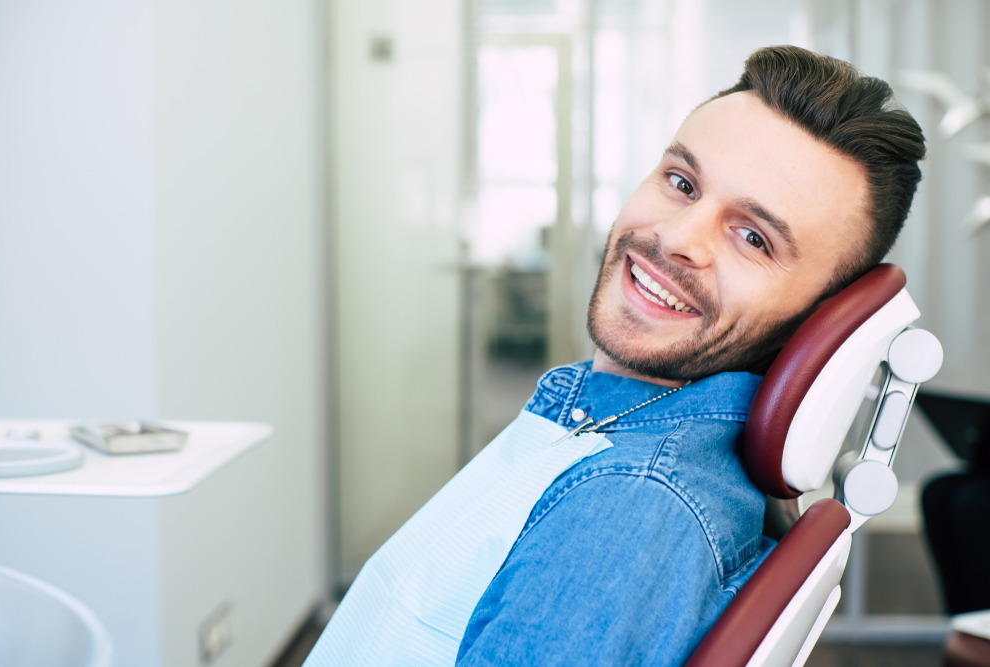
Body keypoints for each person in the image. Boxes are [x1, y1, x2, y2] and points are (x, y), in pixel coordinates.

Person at [308, 45, 926, 667]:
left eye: (753, 238)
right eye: (682, 183)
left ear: (817, 317)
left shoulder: (630, 502)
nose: (677, 237)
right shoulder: (610, 431)